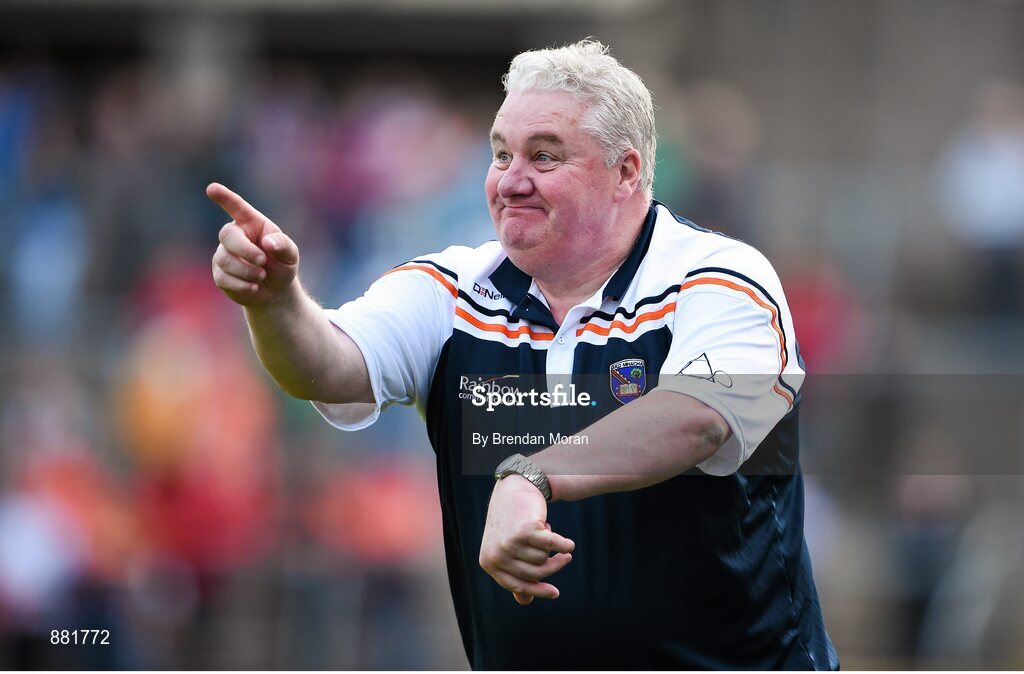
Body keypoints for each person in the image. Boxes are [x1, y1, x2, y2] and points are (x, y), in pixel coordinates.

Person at [210, 39, 838, 670]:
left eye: (544, 155)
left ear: (625, 172)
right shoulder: (453, 290)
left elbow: (703, 415)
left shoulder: (722, 277)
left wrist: (532, 476)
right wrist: (276, 301)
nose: (510, 180)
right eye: (501, 153)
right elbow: (330, 368)